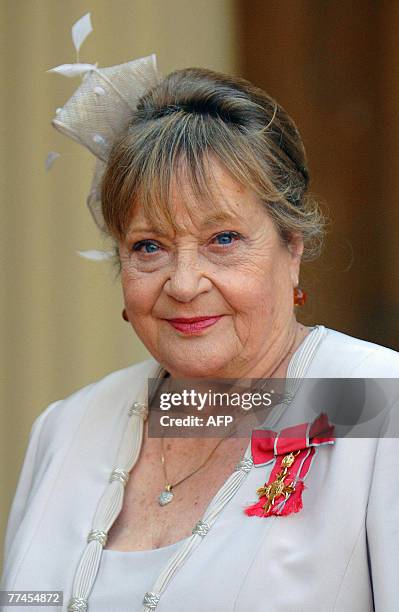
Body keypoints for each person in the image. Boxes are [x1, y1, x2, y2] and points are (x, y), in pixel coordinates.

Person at [1, 51, 399, 612]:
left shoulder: (381, 406)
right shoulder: (67, 428)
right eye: (149, 246)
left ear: (293, 249)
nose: (184, 284)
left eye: (224, 239)